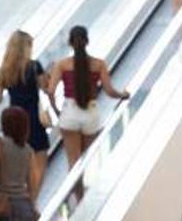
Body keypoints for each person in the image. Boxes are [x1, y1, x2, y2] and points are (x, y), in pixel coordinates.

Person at [47, 26, 129, 171]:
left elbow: (50, 91)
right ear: (87, 41)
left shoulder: (62, 65)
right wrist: (123, 95)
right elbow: (109, 91)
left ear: (70, 43)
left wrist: (56, 111)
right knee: (87, 163)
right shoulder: (99, 64)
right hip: (90, 113)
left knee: (73, 164)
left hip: (69, 113)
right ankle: (85, 194)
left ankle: (76, 194)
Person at [0, 30, 52, 195]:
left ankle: (20, 198)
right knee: (40, 157)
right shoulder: (34, 66)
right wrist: (48, 77)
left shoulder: (3, 70)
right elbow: (46, 89)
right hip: (32, 118)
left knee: (18, 162)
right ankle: (32, 201)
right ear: (25, 47)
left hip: (13, 121)